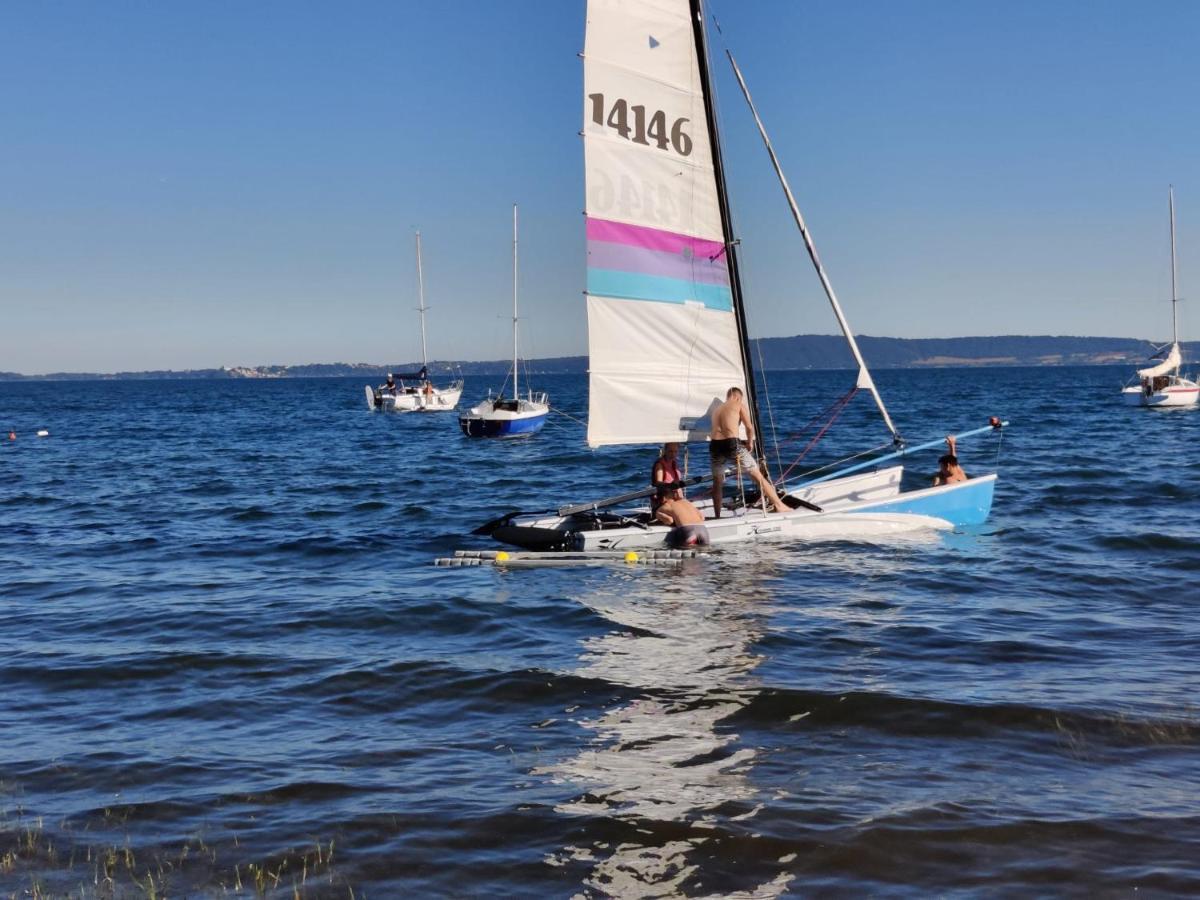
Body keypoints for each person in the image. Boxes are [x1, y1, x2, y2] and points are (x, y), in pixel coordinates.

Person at [709, 386, 788, 517]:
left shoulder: (717, 410)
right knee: (757, 475)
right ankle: (780, 506)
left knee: (717, 482)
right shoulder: (738, 404)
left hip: (714, 445)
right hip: (732, 444)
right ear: (737, 396)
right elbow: (749, 427)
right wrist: (750, 443)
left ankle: (717, 515)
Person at [650, 442, 685, 522]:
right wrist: (671, 486)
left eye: (675, 452)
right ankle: (657, 514)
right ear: (665, 450)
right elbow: (658, 483)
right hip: (664, 502)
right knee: (673, 520)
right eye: (670, 451)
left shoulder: (674, 463)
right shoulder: (660, 465)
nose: (673, 454)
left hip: (675, 500)